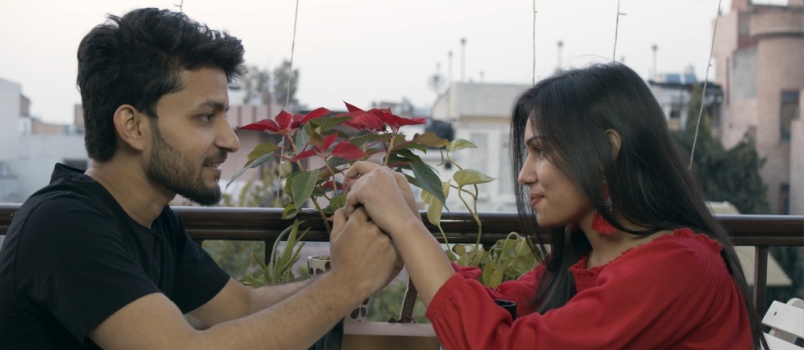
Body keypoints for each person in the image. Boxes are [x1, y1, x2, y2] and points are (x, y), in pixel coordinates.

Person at [0, 8, 399, 349]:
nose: (228, 139)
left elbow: (239, 307)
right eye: (206, 117)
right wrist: (346, 283)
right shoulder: (63, 224)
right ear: (133, 126)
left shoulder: (154, 220)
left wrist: (359, 272)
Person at [343, 63, 766, 349]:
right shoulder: (590, 250)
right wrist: (409, 225)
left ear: (605, 152)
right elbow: (497, 305)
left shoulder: (677, 268)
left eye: (540, 152)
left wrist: (406, 227)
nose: (524, 175)